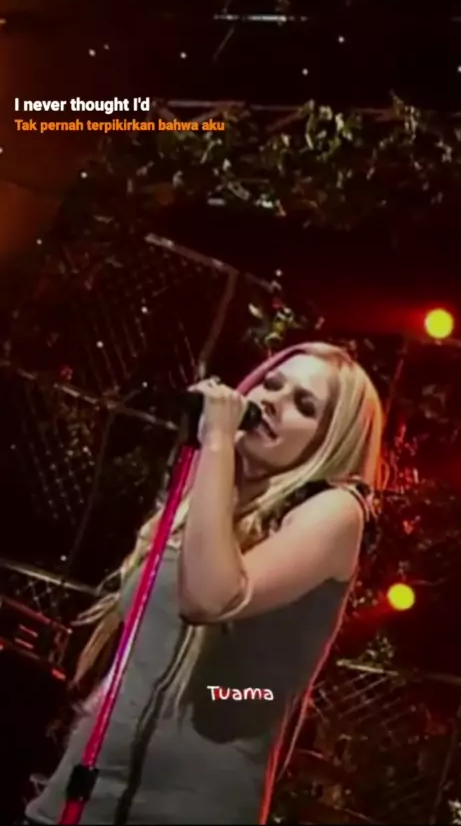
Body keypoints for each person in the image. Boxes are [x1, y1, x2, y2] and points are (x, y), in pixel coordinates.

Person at [25, 341, 383, 825]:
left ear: (330, 441)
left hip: (189, 806)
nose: (272, 402)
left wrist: (216, 442)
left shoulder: (335, 512)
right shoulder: (205, 504)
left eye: (304, 405)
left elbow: (212, 598)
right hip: (85, 789)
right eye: (271, 384)